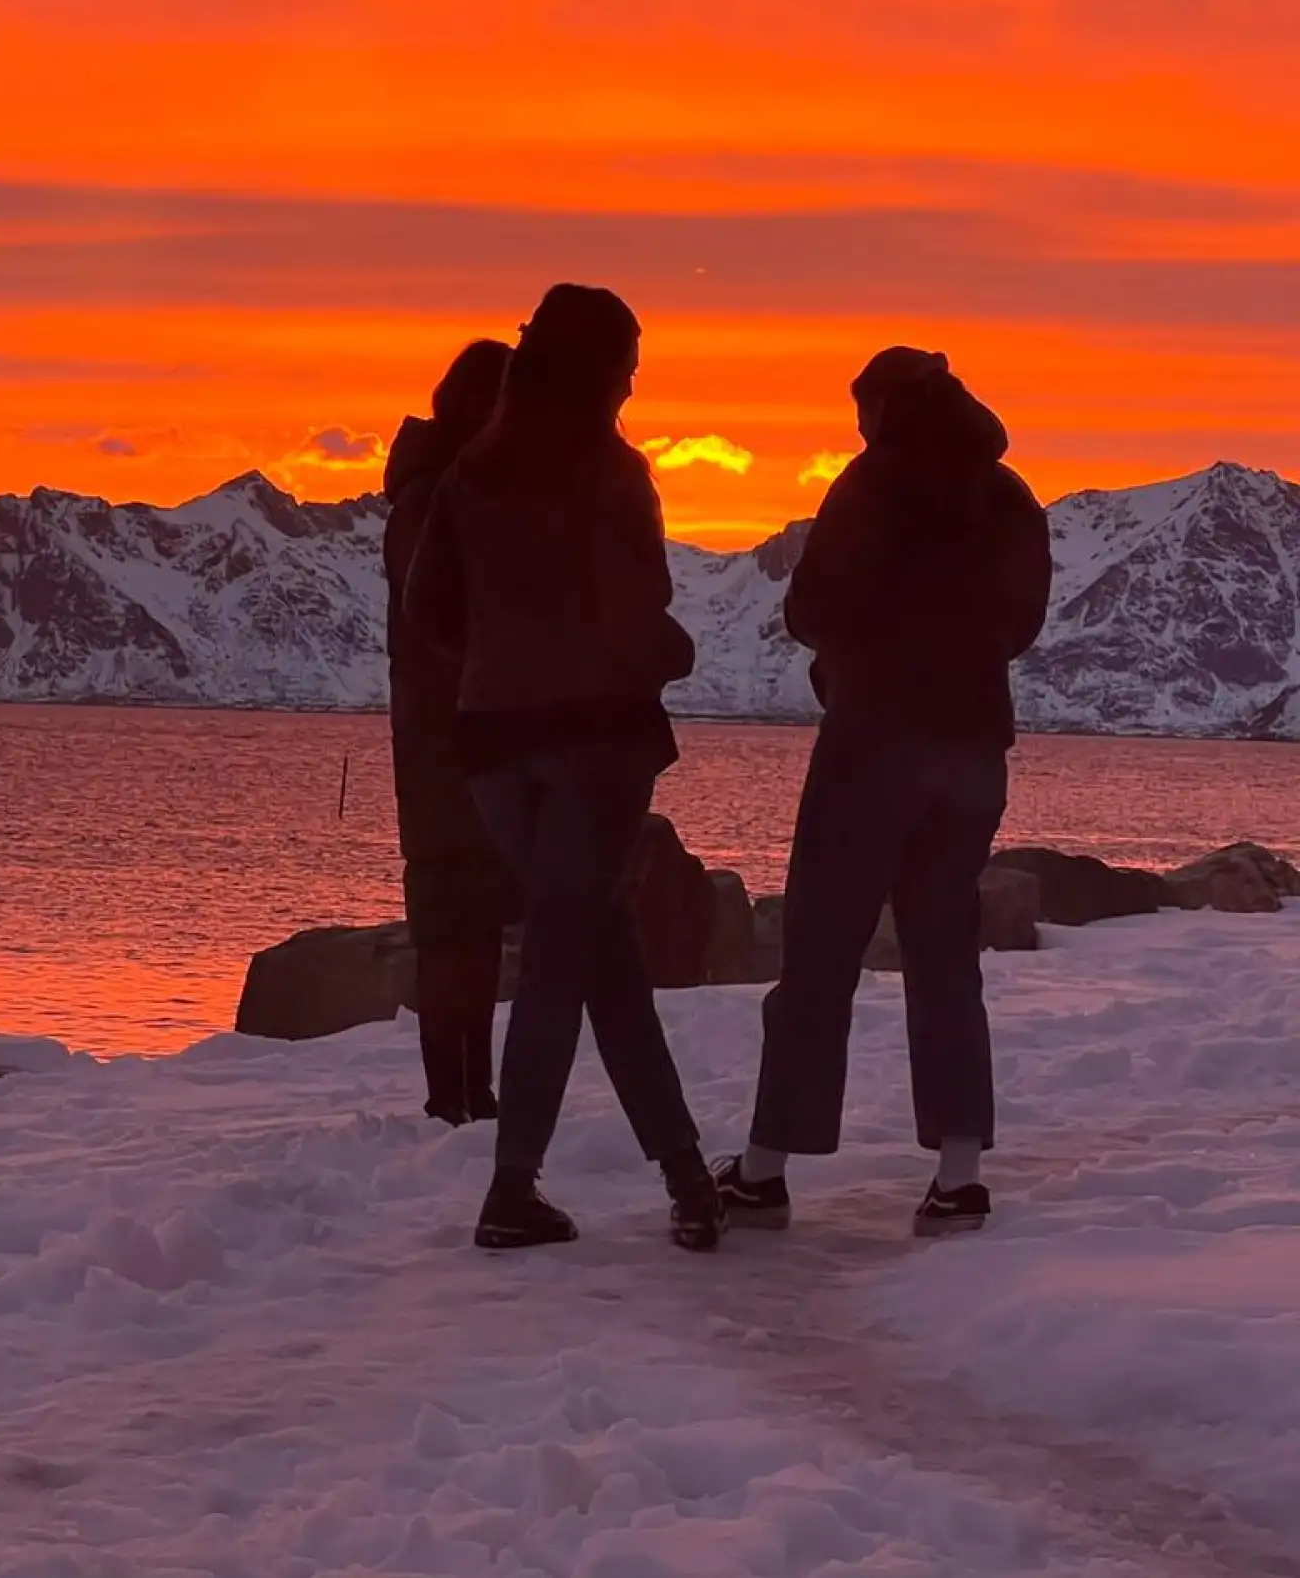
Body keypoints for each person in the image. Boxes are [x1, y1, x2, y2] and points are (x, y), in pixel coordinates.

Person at [407, 283, 723, 1254]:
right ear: (598, 372)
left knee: (595, 951)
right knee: (561, 954)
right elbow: (636, 610)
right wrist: (673, 656)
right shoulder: (612, 475)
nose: (632, 384)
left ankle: (683, 1176)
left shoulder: (469, 475)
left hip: (493, 745)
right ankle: (512, 1185)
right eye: (626, 367)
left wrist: (501, 664)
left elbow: (429, 609)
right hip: (595, 745)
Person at [715, 348, 1053, 1238]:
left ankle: (764, 1170)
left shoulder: (870, 486)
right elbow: (1021, 623)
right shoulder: (1008, 494)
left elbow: (811, 608)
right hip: (975, 747)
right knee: (947, 956)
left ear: (878, 411)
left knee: (821, 948)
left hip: (874, 741)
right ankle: (959, 1173)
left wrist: (871, 647)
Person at [383, 338, 520, 1126]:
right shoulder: (434, 502)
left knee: (474, 924)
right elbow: (439, 624)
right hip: (445, 746)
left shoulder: (458, 495)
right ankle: (453, 1096)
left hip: (470, 739)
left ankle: (476, 1089)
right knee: (450, 924)